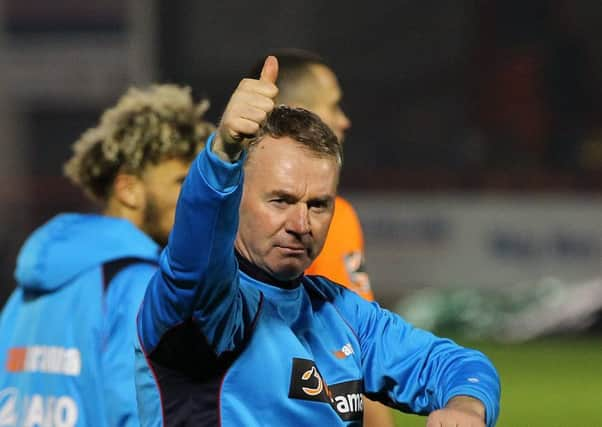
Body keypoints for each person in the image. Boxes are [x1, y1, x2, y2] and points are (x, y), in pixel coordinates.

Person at [135, 56, 500, 427]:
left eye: (318, 205)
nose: (301, 224)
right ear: (237, 197)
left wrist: (466, 408)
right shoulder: (207, 310)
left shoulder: (339, 311)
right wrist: (223, 154)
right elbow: (194, 253)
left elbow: (453, 364)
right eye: (281, 200)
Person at [0, 85, 214, 427]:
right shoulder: (140, 286)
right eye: (181, 182)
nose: (196, 199)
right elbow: (144, 414)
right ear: (128, 189)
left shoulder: (25, 293)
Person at [249, 49, 385, 425]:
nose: (344, 121)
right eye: (333, 106)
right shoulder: (329, 217)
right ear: (294, 113)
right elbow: (356, 355)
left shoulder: (204, 215)